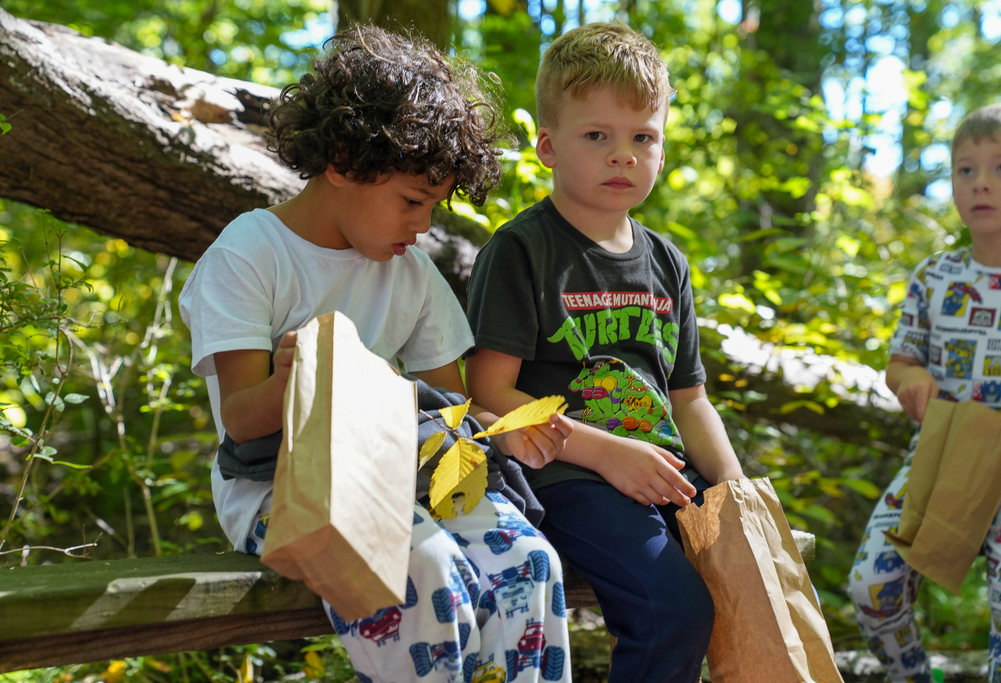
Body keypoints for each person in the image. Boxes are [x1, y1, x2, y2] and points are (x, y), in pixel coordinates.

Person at [178, 25, 574, 683]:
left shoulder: (410, 273)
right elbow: (243, 422)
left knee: (532, 563)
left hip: (406, 472)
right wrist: (292, 384)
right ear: (342, 161)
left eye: (433, 205)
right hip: (274, 484)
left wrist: (503, 429)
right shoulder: (251, 253)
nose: (422, 226)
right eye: (411, 201)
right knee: (427, 565)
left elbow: (449, 414)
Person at [464, 22, 745, 683]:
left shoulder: (666, 262)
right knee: (671, 606)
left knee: (748, 576)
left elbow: (690, 398)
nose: (623, 155)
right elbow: (490, 396)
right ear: (547, 147)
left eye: (642, 137)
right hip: (567, 477)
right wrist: (607, 453)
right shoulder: (524, 251)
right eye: (598, 136)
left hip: (664, 474)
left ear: (663, 152)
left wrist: (736, 491)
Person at [847, 103, 1001, 683]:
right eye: (965, 170)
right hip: (942, 458)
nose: (980, 183)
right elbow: (901, 364)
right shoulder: (936, 278)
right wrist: (913, 381)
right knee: (873, 584)